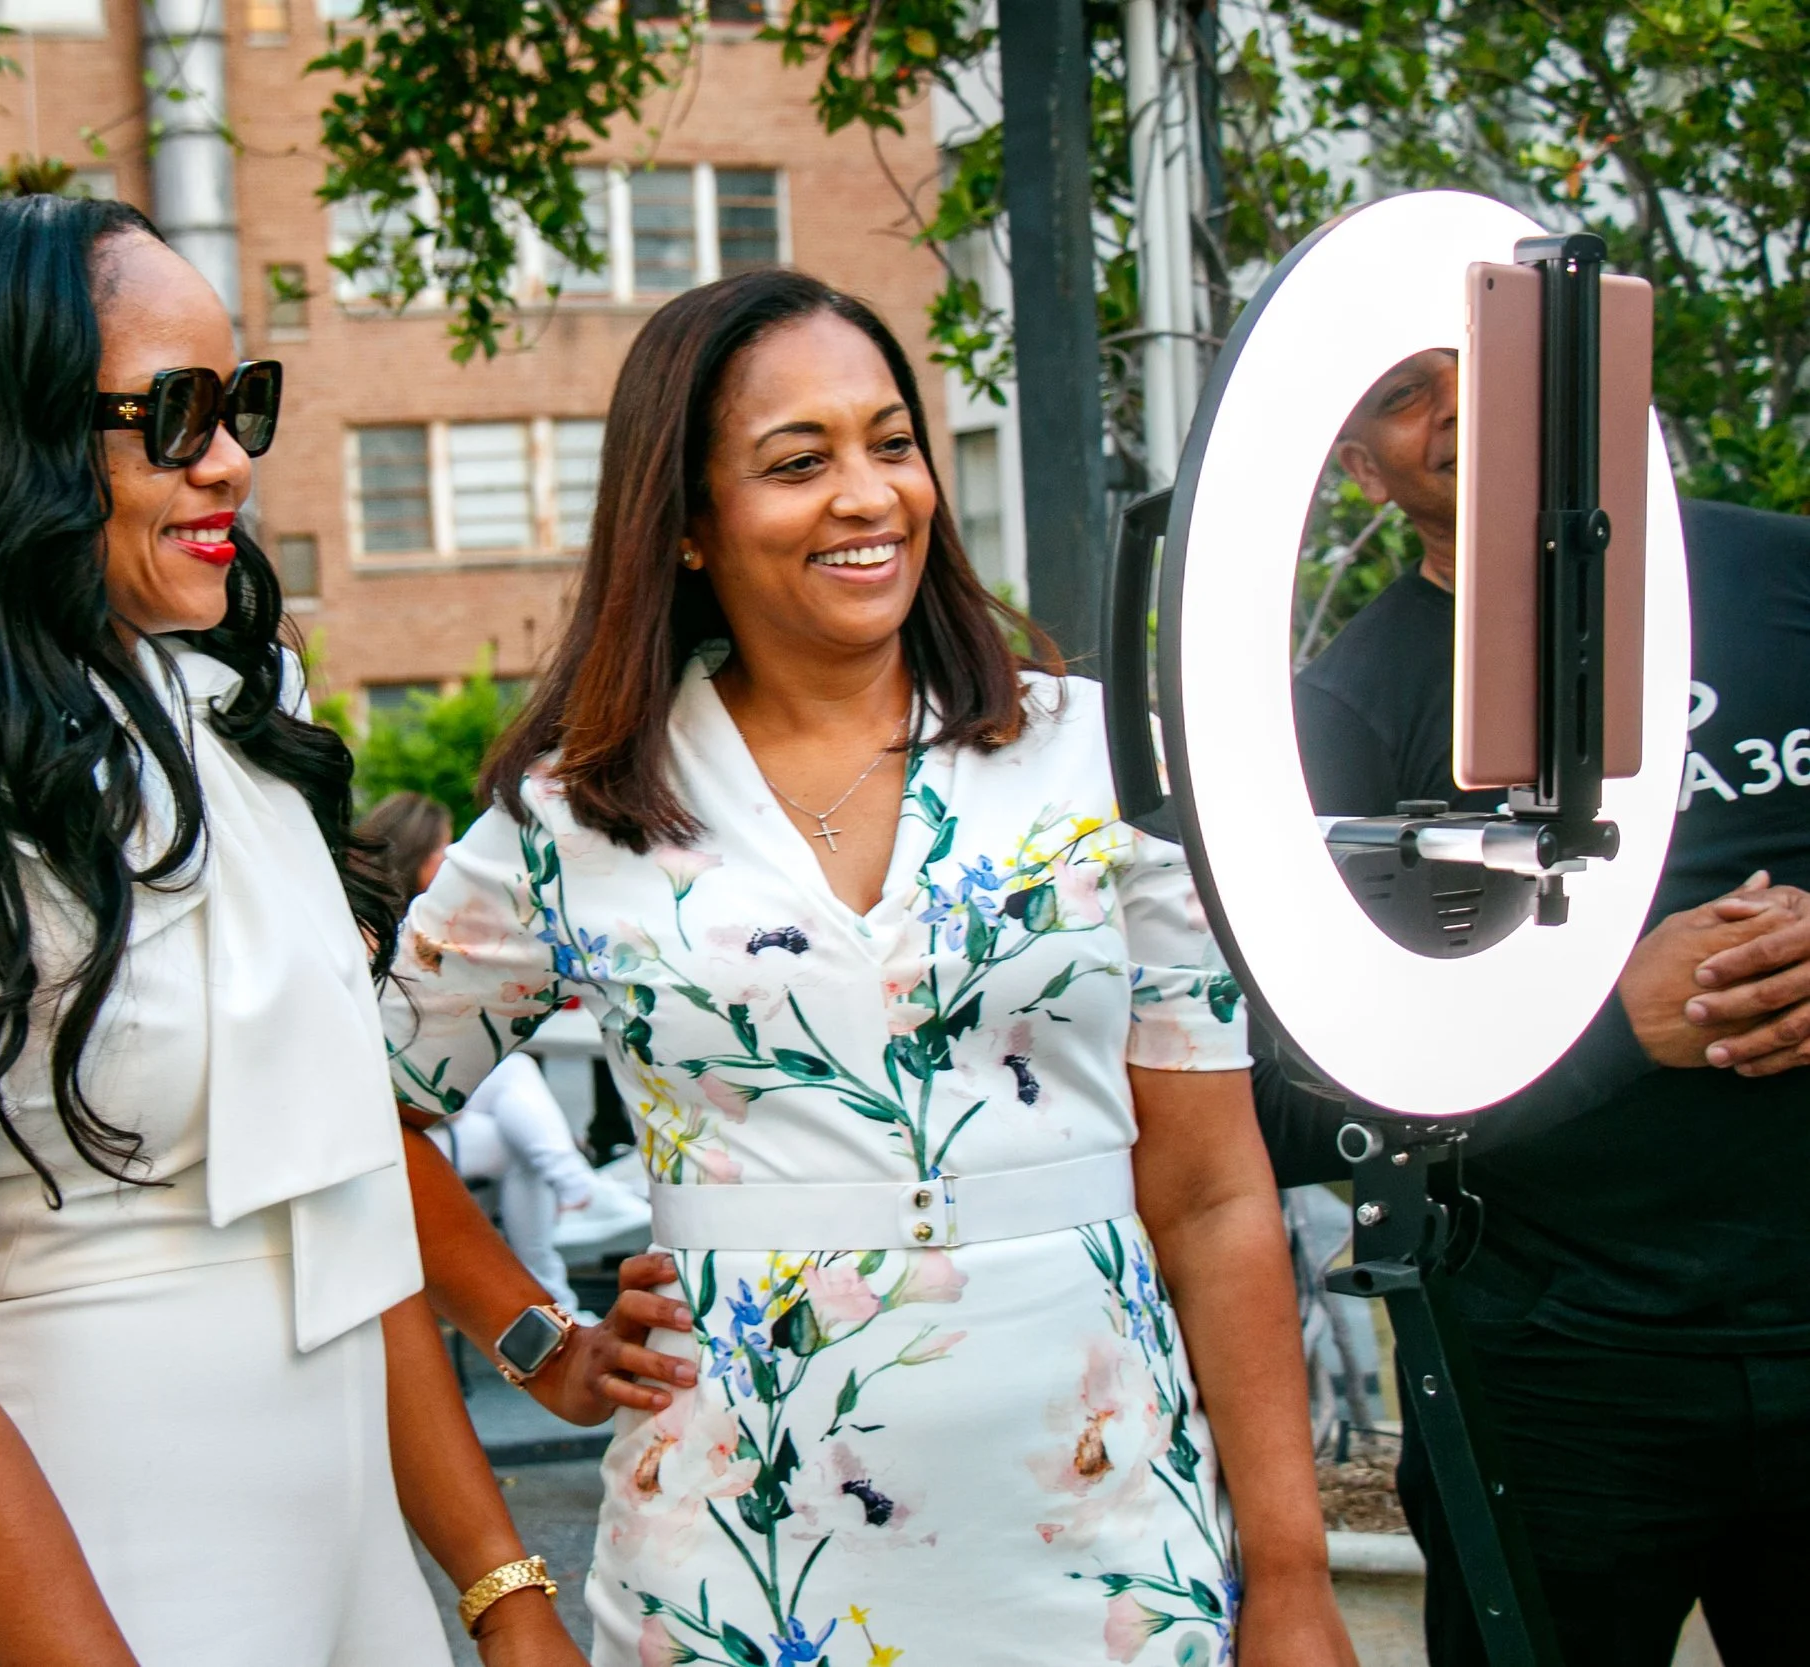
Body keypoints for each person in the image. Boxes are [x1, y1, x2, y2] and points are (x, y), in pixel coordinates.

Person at [383, 269, 1357, 1666]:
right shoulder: (579, 810)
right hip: (739, 1565)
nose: (869, 493)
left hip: (1112, 1548)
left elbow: (1209, 1195)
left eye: (891, 443)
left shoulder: (1107, 758)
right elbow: (369, 1105)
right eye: (798, 461)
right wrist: (535, 1334)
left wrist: (1295, 1569)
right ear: (690, 525)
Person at [0, 196, 583, 1667]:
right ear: (15, 434)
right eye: (174, 410)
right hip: (75, 1572)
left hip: (343, 1557)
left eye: (242, 402)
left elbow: (342, 1211)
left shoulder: (236, 719)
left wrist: (500, 1589)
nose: (229, 453)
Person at [1274, 346, 1810, 1666]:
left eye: (1481, 357)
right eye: (1403, 392)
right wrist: (1614, 1021)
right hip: (1556, 1382)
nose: (1455, 404)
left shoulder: (1781, 575)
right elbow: (1294, 1112)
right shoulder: (1343, 709)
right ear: (1360, 467)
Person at [363, 792, 649, 1313]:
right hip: (385, 1110)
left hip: (439, 1121)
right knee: (515, 1078)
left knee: (519, 1144)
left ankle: (557, 1278)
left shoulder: (446, 923)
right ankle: (578, 1197)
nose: (450, 859)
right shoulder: (387, 928)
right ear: (417, 854)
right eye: (442, 847)